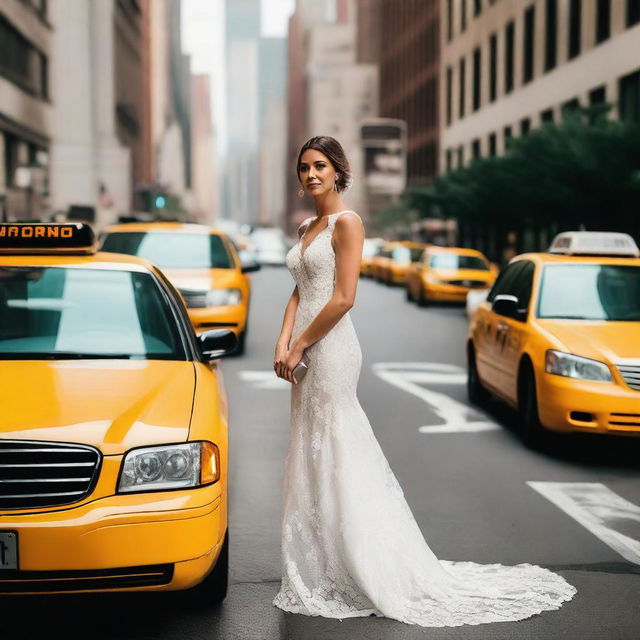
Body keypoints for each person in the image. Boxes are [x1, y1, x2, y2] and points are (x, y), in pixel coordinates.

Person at [271, 136, 576, 627]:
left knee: (337, 444)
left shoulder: (348, 224)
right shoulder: (309, 227)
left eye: (320, 166)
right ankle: (323, 560)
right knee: (309, 444)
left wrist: (303, 343)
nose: (310, 175)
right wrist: (282, 339)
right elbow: (299, 289)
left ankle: (363, 563)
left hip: (330, 348)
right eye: (304, 166)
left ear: (338, 172)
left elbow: (344, 297)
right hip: (304, 342)